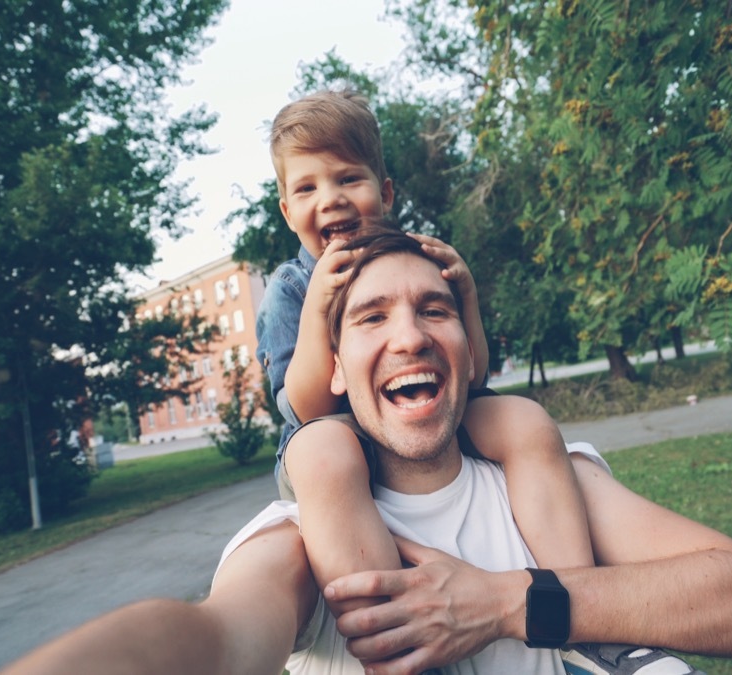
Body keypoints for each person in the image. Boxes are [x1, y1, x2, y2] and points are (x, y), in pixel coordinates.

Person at [3, 230, 732, 674]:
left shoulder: (551, 478)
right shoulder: (302, 536)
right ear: (340, 374)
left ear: (466, 344)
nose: (411, 334)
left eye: (433, 309)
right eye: (372, 317)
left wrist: (507, 602)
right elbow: (210, 641)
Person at [254, 89, 594, 621]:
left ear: (384, 192)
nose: (331, 199)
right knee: (325, 451)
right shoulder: (291, 287)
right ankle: (394, 636)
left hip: (426, 415)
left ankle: (582, 605)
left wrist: (469, 299)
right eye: (307, 187)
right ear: (287, 210)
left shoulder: (418, 259)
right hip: (337, 433)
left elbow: (475, 375)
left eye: (348, 178)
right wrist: (319, 306)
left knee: (521, 418)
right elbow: (304, 409)